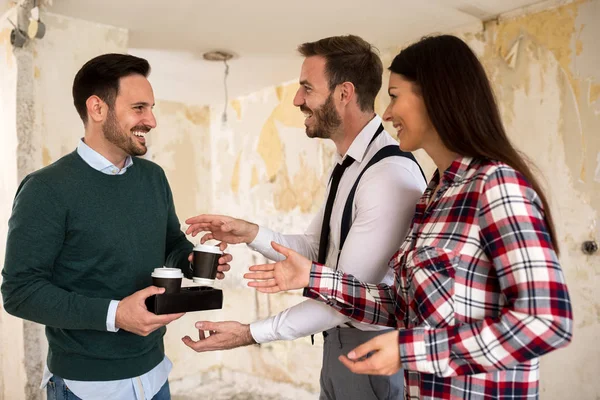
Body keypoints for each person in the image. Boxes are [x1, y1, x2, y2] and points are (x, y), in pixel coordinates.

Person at [244, 35, 573, 399]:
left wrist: (408, 350)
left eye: (396, 95)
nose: (386, 113)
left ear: (436, 97)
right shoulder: (436, 194)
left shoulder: (495, 185)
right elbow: (403, 308)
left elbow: (547, 321)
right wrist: (314, 278)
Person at [182, 35, 427, 400]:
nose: (297, 100)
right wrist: (249, 233)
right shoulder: (348, 167)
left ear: (344, 94)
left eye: (306, 88)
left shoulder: (387, 175)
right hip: (339, 345)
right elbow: (317, 249)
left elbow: (343, 295)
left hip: (370, 348)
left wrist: (250, 333)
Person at [1, 53, 232, 400]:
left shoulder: (153, 177)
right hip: (86, 387)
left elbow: (170, 242)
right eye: (139, 108)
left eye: (152, 108)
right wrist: (115, 315)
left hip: (155, 375)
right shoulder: (46, 189)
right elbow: (20, 292)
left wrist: (193, 261)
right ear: (97, 109)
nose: (152, 120)